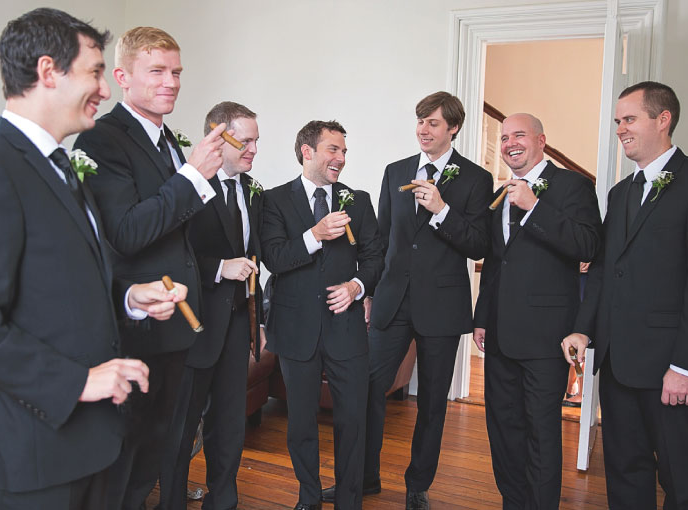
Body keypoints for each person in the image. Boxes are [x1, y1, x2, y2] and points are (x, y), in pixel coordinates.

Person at [0, 8, 187, 510]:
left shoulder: (63, 166)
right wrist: (78, 382)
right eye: (94, 72)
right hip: (35, 452)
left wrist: (131, 297)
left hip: (93, 442)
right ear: (48, 72)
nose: (105, 90)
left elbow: (69, 281)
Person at [562, 81, 688, 509]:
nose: (620, 129)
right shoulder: (620, 193)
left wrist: (686, 366)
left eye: (629, 119)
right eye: (618, 121)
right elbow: (605, 271)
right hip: (619, 362)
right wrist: (584, 331)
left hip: (672, 367)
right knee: (625, 469)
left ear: (664, 120)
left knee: (681, 479)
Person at [73, 26, 226, 510]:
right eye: (157, 70)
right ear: (122, 76)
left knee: (154, 456)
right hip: (135, 328)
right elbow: (127, 232)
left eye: (176, 72)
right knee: (122, 462)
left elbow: (178, 228)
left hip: (178, 325)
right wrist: (193, 176)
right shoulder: (102, 140)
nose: (172, 82)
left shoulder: (166, 141)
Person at [323, 91, 492, 510]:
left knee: (432, 403)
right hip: (392, 302)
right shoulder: (394, 171)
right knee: (366, 389)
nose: (423, 130)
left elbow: (478, 245)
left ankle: (418, 486)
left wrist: (441, 210)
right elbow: (380, 241)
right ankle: (363, 478)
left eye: (433, 123)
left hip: (443, 308)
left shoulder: (475, 179)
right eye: (420, 121)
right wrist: (371, 291)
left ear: (452, 128)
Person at [473, 113, 601, 509]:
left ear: (541, 140)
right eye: (504, 136)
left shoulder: (574, 186)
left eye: (519, 135)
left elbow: (588, 246)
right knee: (503, 428)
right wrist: (481, 319)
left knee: (541, 432)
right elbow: (497, 262)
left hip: (547, 336)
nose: (510, 142)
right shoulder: (499, 193)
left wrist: (534, 207)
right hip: (498, 333)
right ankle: (514, 501)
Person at [260, 120, 383, 510]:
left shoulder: (357, 200)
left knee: (352, 421)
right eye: (333, 149)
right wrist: (315, 235)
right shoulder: (274, 201)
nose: (341, 158)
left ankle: (350, 501)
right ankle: (308, 497)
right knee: (300, 424)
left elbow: (376, 257)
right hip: (296, 330)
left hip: (346, 330)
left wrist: (357, 287)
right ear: (307, 151)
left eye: (344, 151)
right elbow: (275, 258)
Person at [158, 101, 263, 510]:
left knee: (230, 423)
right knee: (182, 427)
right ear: (220, 136)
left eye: (257, 140)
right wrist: (221, 267)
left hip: (238, 325)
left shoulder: (252, 192)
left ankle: (224, 500)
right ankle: (170, 502)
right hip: (194, 324)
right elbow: (169, 260)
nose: (254, 149)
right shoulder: (187, 187)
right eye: (247, 140)